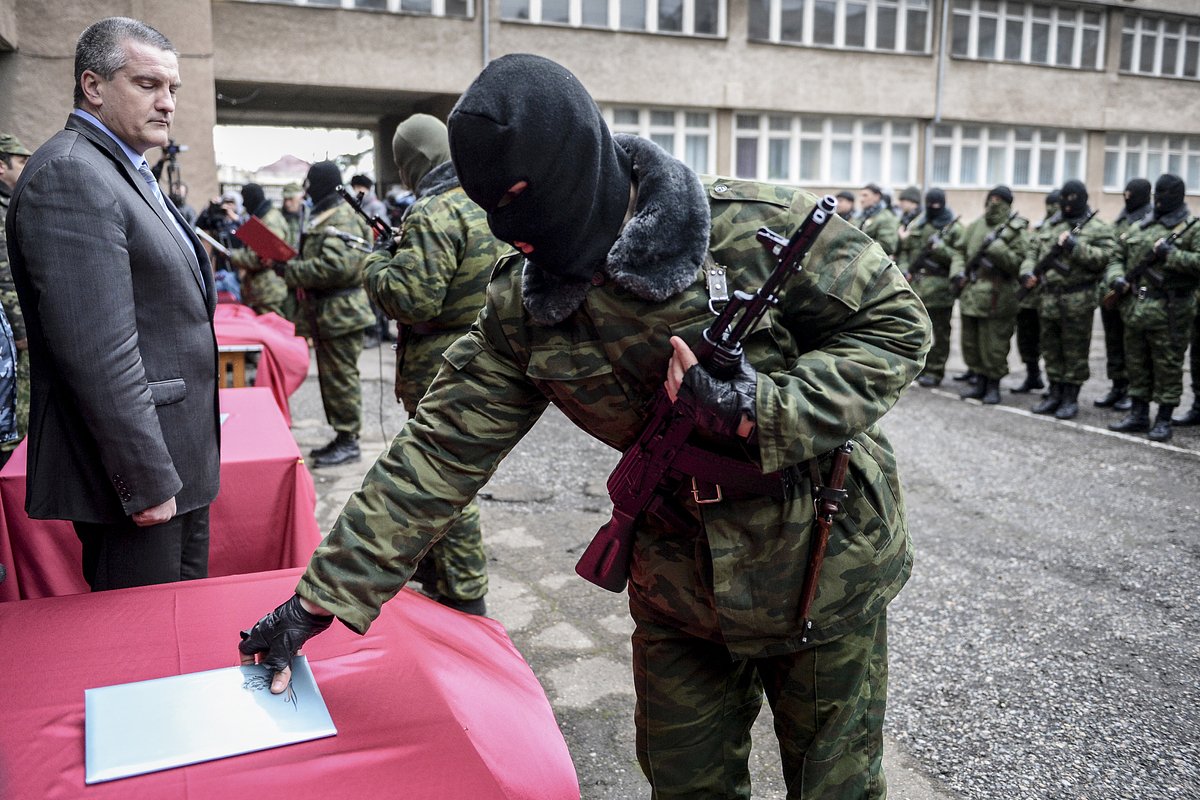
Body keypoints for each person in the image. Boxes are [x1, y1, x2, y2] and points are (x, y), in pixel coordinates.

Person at [238, 54, 930, 799]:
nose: (537, 244)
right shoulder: (527, 307)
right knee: (686, 786)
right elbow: (437, 451)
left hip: (821, 567)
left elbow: (896, 328)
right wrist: (317, 600)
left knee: (839, 789)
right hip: (676, 583)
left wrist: (765, 408)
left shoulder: (752, 231)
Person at [6, 17, 219, 590]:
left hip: (175, 461)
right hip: (137, 478)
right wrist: (146, 481)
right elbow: (99, 353)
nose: (168, 103)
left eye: (173, 89)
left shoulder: (117, 167)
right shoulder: (73, 173)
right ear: (94, 87)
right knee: (147, 656)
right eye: (149, 85)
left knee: (181, 639)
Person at [362, 113, 506, 616]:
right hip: (485, 356)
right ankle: (442, 574)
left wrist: (377, 264)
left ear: (414, 163)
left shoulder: (434, 212)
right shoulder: (486, 202)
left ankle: (465, 594)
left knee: (443, 481)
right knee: (453, 471)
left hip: (439, 364)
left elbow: (413, 300)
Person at [279, 160, 375, 467]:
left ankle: (349, 440)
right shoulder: (327, 213)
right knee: (333, 380)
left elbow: (339, 267)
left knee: (341, 379)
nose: (307, 190)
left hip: (341, 314)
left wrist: (293, 271)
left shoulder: (342, 216)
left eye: (310, 183)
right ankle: (342, 435)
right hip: (329, 315)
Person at [1104, 174, 1199, 442]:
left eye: (1165, 193)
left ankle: (1164, 418)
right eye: (1157, 192)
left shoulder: (1191, 228)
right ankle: (1138, 413)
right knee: (1136, 362)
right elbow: (1116, 256)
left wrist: (1172, 255)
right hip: (1137, 306)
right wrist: (1116, 277)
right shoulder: (1140, 226)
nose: (1159, 198)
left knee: (1167, 365)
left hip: (1171, 310)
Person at [1020, 180, 1115, 419]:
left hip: (1078, 299)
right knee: (1051, 349)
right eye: (1065, 198)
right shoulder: (1052, 225)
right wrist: (1028, 271)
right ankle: (1054, 393)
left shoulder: (1098, 228)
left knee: (1074, 351)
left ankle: (1070, 397)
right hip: (1048, 297)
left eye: (1073, 198)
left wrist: (1075, 247)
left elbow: (1105, 259)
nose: (1068, 204)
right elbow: (1032, 251)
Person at [952, 186, 1028, 405]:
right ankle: (979, 383)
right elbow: (959, 251)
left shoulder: (1017, 230)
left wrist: (997, 248)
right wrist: (957, 272)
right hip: (972, 294)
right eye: (991, 198)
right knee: (971, 342)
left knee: (994, 344)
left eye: (999, 200)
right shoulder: (975, 226)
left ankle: (993, 385)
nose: (994, 203)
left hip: (999, 295)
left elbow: (1019, 263)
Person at [1095, 178, 1152, 411]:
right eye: (1125, 193)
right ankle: (1117, 386)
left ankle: (1132, 390)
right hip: (1113, 292)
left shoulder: (1150, 222)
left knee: (1134, 347)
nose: (1127, 197)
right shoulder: (1120, 220)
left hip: (1134, 294)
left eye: (1131, 194)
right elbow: (1111, 255)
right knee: (1113, 343)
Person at [896, 188, 963, 387]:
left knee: (941, 333)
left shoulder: (954, 228)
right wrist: (905, 269)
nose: (933, 208)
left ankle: (935, 371)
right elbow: (906, 252)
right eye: (930, 204)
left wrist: (940, 249)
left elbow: (959, 257)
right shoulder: (919, 223)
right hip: (917, 286)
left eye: (937, 205)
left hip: (941, 289)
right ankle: (915, 369)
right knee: (914, 331)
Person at [0, 133, 32, 459]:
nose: (27, 166)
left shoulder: (11, 200)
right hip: (8, 330)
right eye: (21, 161)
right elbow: (4, 272)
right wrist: (22, 331)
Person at [1011, 189, 1058, 395]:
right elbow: (1029, 254)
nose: (1051, 208)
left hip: (1046, 296)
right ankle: (1033, 375)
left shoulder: (1062, 230)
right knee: (1026, 339)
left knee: (1047, 341)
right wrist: (1027, 272)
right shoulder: (1040, 228)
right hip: (1029, 296)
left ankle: (1055, 384)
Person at [229, 182, 289, 316]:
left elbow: (263, 257)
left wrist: (232, 255)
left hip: (269, 293)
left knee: (273, 332)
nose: (244, 205)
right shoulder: (263, 217)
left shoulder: (270, 221)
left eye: (245, 200)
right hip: (261, 293)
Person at [856, 182, 900, 257]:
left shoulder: (885, 217)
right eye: (860, 196)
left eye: (865, 195)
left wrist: (859, 243)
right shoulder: (863, 216)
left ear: (877, 196)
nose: (861, 199)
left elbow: (888, 246)